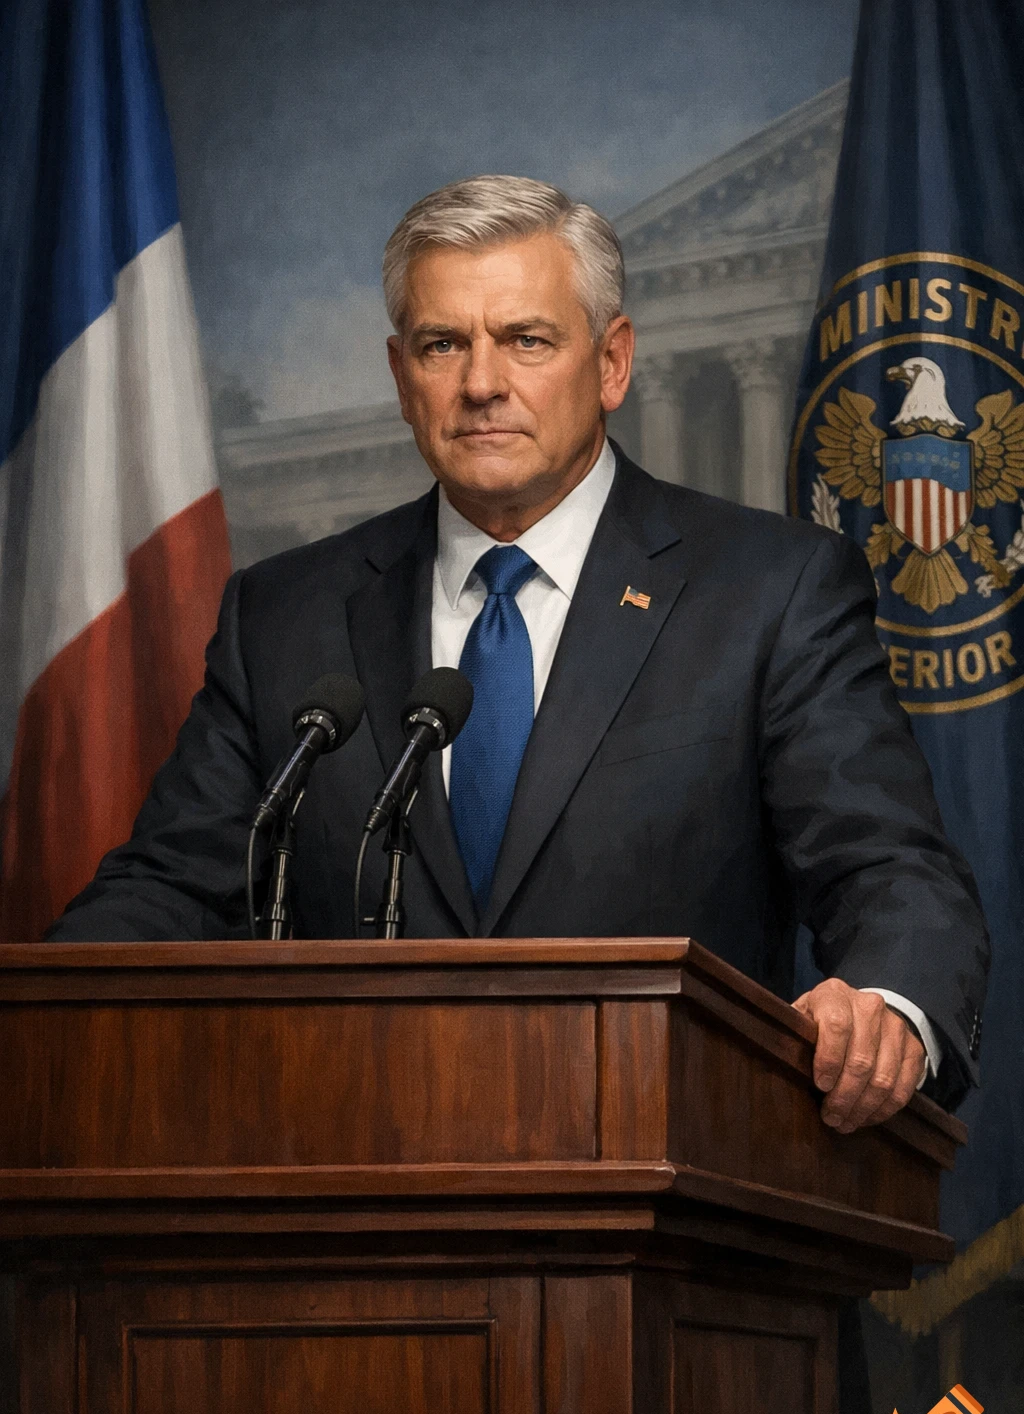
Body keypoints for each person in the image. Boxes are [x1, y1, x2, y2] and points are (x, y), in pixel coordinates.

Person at [50, 174, 987, 1135]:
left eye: (527, 340)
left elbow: (887, 870)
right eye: (442, 343)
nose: (481, 382)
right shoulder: (286, 613)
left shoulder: (771, 591)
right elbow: (172, 888)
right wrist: (39, 1023)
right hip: (351, 1195)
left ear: (612, 363)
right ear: (400, 373)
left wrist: (886, 1004)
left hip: (675, 1186)